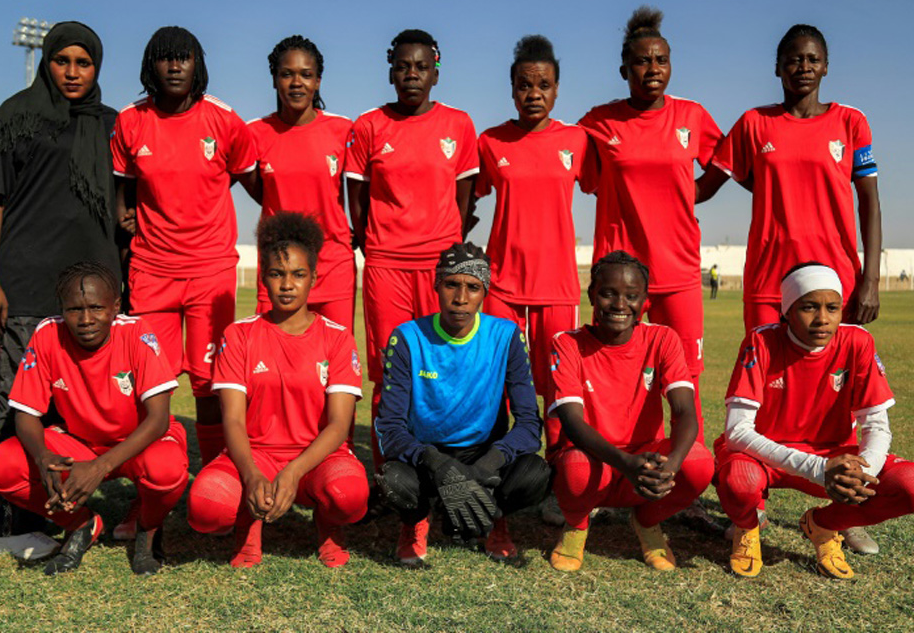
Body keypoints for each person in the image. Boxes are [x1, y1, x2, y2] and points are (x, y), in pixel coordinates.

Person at [0, 21, 121, 543]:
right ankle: (21, 515)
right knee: (20, 407)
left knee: (71, 410)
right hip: (25, 287)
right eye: (63, 61)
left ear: (97, 68)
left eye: (84, 63)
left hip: (91, 297)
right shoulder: (14, 118)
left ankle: (70, 506)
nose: (73, 72)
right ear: (47, 62)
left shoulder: (112, 124)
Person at [111, 26, 256, 489]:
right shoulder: (130, 121)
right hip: (152, 270)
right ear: (150, 65)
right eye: (165, 58)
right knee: (151, 384)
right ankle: (155, 480)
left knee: (210, 381)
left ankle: (216, 477)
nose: (175, 66)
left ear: (198, 65)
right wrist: (126, 214)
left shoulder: (224, 120)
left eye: (184, 58)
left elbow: (253, 182)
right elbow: (123, 190)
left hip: (210, 270)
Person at [187, 212, 368, 568]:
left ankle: (329, 525)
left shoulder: (337, 338)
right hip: (257, 456)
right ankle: (246, 523)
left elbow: (338, 426)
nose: (287, 284)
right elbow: (234, 421)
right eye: (277, 273)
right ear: (263, 278)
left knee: (350, 496)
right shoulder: (239, 335)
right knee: (206, 507)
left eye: (298, 274)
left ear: (314, 278)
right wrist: (253, 473)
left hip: (317, 459)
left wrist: (294, 471)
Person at [578, 7, 724, 442]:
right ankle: (618, 469)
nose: (653, 69)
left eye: (661, 59)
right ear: (624, 68)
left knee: (685, 377)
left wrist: (689, 193)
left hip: (678, 269)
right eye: (642, 61)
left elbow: (721, 166)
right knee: (617, 373)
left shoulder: (691, 116)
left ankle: (688, 476)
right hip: (620, 275)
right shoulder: (599, 122)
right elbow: (581, 175)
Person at [0, 262, 188, 575]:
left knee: (167, 469)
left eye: (96, 307)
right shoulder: (48, 333)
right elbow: (26, 413)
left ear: (115, 306)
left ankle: (148, 529)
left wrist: (100, 467)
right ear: (61, 309)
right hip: (80, 443)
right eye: (74, 309)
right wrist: (43, 458)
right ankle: (81, 523)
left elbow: (159, 419)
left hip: (138, 443)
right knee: (4, 466)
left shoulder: (137, 332)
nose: (85, 319)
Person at [715, 263, 914, 579]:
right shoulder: (761, 341)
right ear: (787, 311)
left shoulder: (858, 342)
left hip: (835, 457)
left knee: (910, 485)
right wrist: (818, 470)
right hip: (769, 458)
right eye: (809, 307)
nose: (823, 318)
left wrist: (863, 472)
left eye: (832, 308)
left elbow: (876, 423)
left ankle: (825, 525)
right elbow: (737, 431)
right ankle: (748, 526)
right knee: (738, 481)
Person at [345, 29, 479, 469]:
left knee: (446, 367)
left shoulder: (458, 125)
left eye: (421, 67)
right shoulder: (368, 126)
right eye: (403, 66)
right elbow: (357, 202)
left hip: (441, 269)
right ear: (390, 71)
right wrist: (378, 245)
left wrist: (447, 246)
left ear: (436, 73)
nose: (412, 75)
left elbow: (465, 197)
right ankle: (390, 470)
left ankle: (446, 466)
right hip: (386, 267)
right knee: (391, 372)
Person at [374, 242, 550, 565]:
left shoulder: (507, 336)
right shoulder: (406, 338)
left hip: (482, 453)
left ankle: (492, 518)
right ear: (436, 286)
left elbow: (528, 425)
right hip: (427, 455)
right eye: (451, 284)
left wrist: (484, 468)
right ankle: (416, 520)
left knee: (534, 474)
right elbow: (388, 427)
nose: (460, 298)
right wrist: (437, 464)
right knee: (394, 481)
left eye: (472, 287)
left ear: (484, 292)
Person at [706, 24, 882, 332]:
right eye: (794, 59)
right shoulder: (754, 123)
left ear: (825, 66)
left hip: (836, 277)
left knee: (833, 378)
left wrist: (871, 280)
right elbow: (716, 181)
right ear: (777, 68)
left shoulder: (851, 122)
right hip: (769, 278)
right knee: (764, 376)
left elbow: (869, 202)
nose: (804, 67)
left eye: (813, 59)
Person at [547, 251, 714, 572]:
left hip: (645, 466)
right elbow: (570, 421)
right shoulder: (567, 343)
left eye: (631, 296)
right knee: (576, 466)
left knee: (699, 464)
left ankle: (647, 522)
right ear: (592, 295)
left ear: (645, 301)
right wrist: (624, 463)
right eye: (608, 293)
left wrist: (669, 470)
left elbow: (685, 410)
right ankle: (577, 527)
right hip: (598, 464)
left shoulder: (663, 338)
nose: (620, 304)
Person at [476, 34, 590, 456]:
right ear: (512, 89)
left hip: (557, 286)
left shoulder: (577, 140)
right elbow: (469, 200)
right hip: (502, 286)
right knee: (498, 384)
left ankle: (562, 475)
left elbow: (604, 187)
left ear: (557, 89)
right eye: (525, 85)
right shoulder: (490, 142)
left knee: (558, 386)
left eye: (543, 85)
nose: (534, 93)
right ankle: (501, 467)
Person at [247, 35, 356, 329]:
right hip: (278, 266)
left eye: (306, 75)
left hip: (332, 264)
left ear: (318, 81)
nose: (297, 83)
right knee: (276, 361)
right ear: (274, 79)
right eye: (287, 74)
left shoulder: (343, 130)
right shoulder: (254, 133)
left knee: (337, 362)